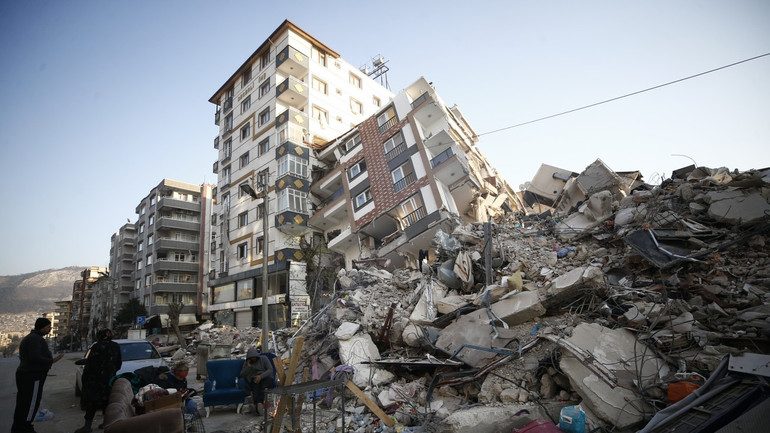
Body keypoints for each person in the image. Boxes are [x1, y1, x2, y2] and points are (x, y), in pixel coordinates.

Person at [12, 317, 64, 433]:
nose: (50, 329)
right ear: (41, 327)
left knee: (23, 402)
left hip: (28, 374)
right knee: (31, 402)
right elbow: (35, 357)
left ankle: (19, 427)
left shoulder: (34, 338)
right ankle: (26, 427)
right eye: (48, 327)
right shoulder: (35, 339)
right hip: (32, 376)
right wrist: (52, 360)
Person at [74, 329, 122, 433]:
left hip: (95, 380)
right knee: (107, 402)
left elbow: (91, 363)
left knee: (92, 403)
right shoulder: (116, 346)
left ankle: (87, 427)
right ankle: (106, 423)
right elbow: (118, 363)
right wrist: (110, 372)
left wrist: (86, 378)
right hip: (109, 380)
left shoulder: (97, 346)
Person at [239, 347, 275, 416]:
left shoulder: (263, 358)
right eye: (252, 358)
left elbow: (270, 369)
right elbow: (242, 374)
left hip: (265, 377)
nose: (253, 359)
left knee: (263, 386)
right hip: (255, 379)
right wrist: (248, 367)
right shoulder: (247, 363)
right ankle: (258, 406)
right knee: (255, 388)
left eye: (254, 357)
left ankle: (259, 404)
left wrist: (261, 376)